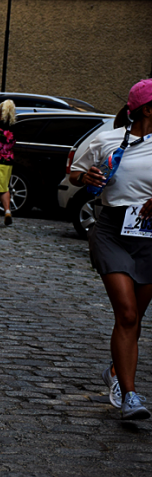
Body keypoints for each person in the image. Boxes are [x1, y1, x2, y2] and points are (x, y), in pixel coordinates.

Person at [70, 79, 152, 420]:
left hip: (149, 238)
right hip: (112, 232)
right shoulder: (106, 139)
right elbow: (75, 173)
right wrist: (85, 178)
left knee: (136, 318)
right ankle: (130, 395)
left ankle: (119, 368)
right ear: (147, 109)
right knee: (128, 314)